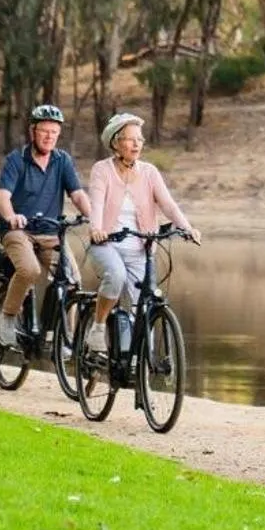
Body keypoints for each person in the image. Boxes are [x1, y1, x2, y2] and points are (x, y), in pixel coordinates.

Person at [84, 113, 201, 352]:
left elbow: (167, 204)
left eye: (139, 139)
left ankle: (135, 362)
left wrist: (186, 227)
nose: (137, 144)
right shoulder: (102, 170)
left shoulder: (149, 172)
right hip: (107, 244)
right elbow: (95, 204)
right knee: (115, 276)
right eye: (130, 139)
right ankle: (97, 327)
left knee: (141, 307)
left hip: (141, 248)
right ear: (116, 143)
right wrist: (96, 228)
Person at [0, 104, 92, 346]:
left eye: (54, 132)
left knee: (71, 281)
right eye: (44, 131)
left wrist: (94, 218)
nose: (49, 137)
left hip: (50, 233)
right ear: (32, 132)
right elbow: (1, 196)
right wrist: (12, 216)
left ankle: (65, 339)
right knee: (30, 270)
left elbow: (77, 195)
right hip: (18, 231)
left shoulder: (62, 161)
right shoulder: (16, 160)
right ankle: (6, 318)